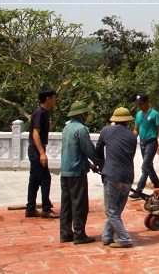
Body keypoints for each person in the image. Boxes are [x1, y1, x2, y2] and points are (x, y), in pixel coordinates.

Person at [59, 101, 102, 245]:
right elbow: (88, 150)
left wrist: (89, 165)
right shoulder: (81, 129)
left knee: (66, 204)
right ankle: (79, 234)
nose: (88, 115)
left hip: (65, 171)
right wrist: (101, 164)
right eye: (86, 113)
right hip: (77, 172)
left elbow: (74, 151)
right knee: (79, 204)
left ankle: (65, 233)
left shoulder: (67, 128)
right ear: (81, 114)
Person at [96, 107, 138, 248]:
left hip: (112, 175)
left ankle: (124, 238)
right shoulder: (132, 136)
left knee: (111, 210)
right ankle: (107, 237)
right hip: (128, 176)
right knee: (116, 210)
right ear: (127, 121)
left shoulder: (106, 131)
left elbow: (98, 150)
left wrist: (101, 165)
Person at [26, 88, 58, 219]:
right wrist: (41, 153)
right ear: (48, 99)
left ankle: (30, 208)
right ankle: (45, 208)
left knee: (34, 179)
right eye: (54, 97)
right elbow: (35, 133)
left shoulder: (44, 112)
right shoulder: (40, 113)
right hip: (35, 149)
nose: (56, 100)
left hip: (35, 149)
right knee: (45, 177)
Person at [129, 92, 159, 199]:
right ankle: (158, 186)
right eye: (138, 104)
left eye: (141, 104)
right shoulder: (139, 115)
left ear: (147, 102)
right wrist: (131, 140)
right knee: (149, 166)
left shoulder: (154, 114)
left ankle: (139, 189)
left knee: (145, 166)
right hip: (142, 143)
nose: (140, 106)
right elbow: (136, 129)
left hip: (152, 143)